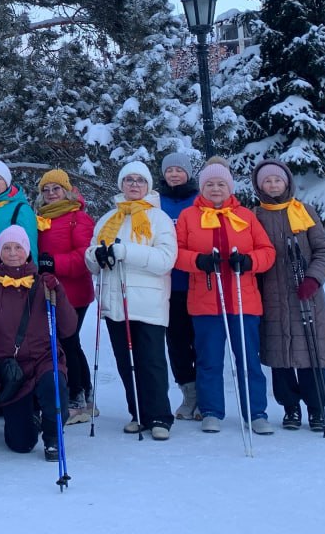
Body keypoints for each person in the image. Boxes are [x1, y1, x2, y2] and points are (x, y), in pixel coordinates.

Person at [174, 157, 276, 436]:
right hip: (206, 301)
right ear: (202, 188)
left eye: (220, 184)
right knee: (209, 360)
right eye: (209, 184)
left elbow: (267, 252)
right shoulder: (188, 216)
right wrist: (198, 261)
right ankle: (211, 411)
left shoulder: (246, 216)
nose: (215, 189)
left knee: (248, 361)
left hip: (244, 301)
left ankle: (255, 412)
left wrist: (248, 261)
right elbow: (175, 253)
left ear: (229, 187)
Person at [85, 162, 176, 439]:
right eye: (128, 180)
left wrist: (127, 252)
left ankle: (160, 416)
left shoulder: (158, 218)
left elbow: (165, 260)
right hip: (116, 303)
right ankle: (137, 413)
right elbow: (91, 257)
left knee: (151, 362)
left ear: (148, 186)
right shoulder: (109, 218)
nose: (134, 185)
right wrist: (96, 256)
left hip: (147, 303)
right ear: (121, 184)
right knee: (127, 362)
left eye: (139, 180)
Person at [0, 226, 76, 460]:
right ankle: (30, 414)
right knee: (20, 443)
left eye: (18, 247)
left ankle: (53, 438)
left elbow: (68, 329)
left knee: (54, 387)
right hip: (12, 370)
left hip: (44, 359)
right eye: (6, 247)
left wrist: (59, 292)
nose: (13, 252)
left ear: (28, 251)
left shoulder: (44, 286)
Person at [251, 159, 325, 432]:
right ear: (259, 185)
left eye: (277, 180)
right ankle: (290, 409)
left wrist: (313, 278)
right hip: (271, 299)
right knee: (280, 357)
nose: (273, 185)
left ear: (286, 182)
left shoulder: (304, 211)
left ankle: (317, 408)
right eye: (267, 181)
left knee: (310, 356)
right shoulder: (255, 216)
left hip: (305, 296)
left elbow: (323, 251)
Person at [33, 168, 96, 425]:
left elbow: (85, 256)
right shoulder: (41, 218)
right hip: (50, 289)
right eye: (46, 190)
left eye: (56, 189)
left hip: (74, 291)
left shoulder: (78, 218)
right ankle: (86, 391)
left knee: (67, 340)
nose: (51, 194)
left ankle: (76, 396)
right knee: (68, 340)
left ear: (66, 190)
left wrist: (54, 262)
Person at [157, 151, 201, 419]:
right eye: (169, 170)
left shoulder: (199, 200)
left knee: (202, 342)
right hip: (168, 285)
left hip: (198, 282)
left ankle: (206, 396)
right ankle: (189, 393)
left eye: (179, 170)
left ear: (188, 173)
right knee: (177, 343)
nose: (174, 174)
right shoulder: (155, 202)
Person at [0, 160, 39, 280]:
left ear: (7, 182)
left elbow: (30, 250)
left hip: (8, 280)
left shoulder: (21, 209)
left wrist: (30, 281)